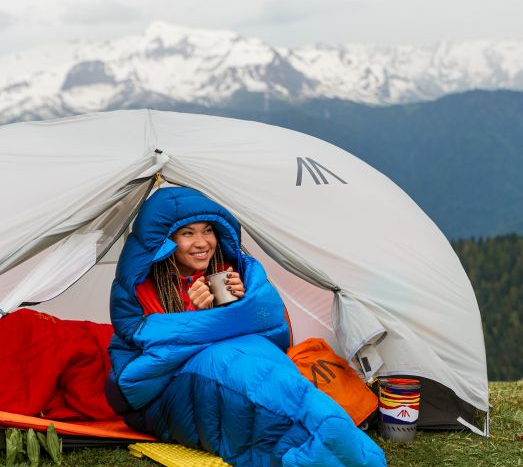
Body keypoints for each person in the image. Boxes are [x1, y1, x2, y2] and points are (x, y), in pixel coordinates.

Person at [106, 187, 385, 467]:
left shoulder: (230, 270)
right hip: (174, 388)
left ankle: (335, 436)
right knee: (241, 385)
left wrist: (238, 305)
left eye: (208, 231)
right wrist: (198, 314)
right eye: (188, 233)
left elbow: (270, 324)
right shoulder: (143, 287)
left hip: (244, 358)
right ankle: (311, 450)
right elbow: (148, 359)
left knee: (276, 381)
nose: (202, 242)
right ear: (166, 241)